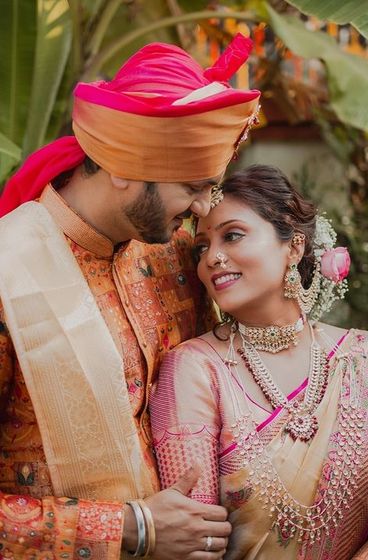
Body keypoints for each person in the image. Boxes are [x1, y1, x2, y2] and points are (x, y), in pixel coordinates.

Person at [0, 36, 261, 559]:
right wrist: (132, 527)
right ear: (121, 166)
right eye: (192, 186)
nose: (204, 207)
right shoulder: (8, 274)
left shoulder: (179, 254)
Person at [150, 164, 368, 559]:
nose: (213, 258)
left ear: (293, 247)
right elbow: (193, 538)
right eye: (203, 247)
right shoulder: (194, 369)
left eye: (233, 235)